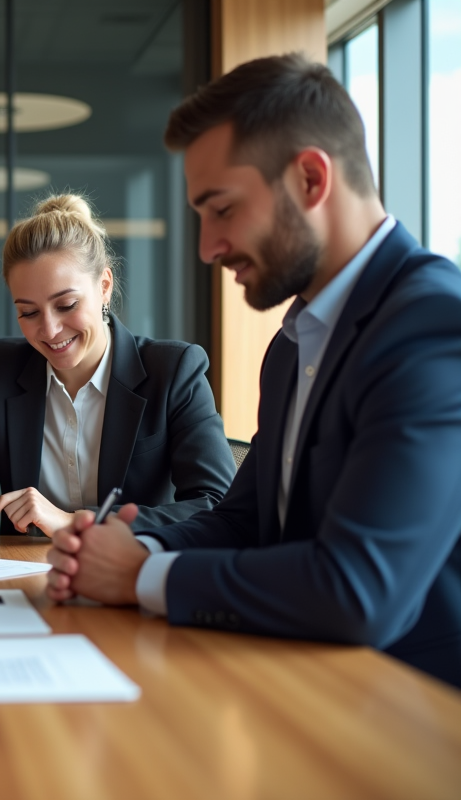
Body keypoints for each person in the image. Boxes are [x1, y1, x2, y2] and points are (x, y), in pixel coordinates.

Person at [47, 54, 461, 689]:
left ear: (310, 180)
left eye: (223, 209)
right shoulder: (295, 343)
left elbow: (360, 591)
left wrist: (140, 577)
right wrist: (138, 549)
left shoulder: (433, 326)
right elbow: (248, 521)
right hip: (302, 687)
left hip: (415, 718)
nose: (209, 246)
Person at [0, 194, 237, 553]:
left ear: (104, 286)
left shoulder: (173, 370)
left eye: (66, 305)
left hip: (131, 576)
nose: (50, 330)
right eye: (28, 312)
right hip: (25, 576)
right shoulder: (1, 368)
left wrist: (73, 522)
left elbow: (216, 505)